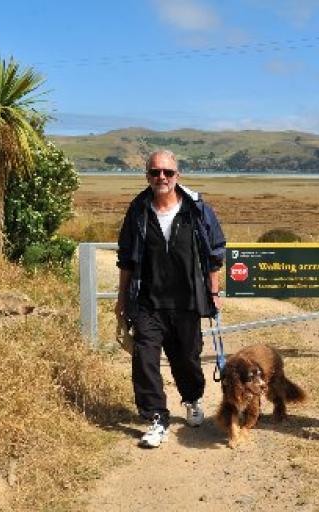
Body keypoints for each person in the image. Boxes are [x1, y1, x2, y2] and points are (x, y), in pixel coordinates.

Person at [115, 149, 226, 448]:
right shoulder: (138, 210)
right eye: (155, 172)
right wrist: (121, 299)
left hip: (187, 301)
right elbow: (126, 259)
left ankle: (192, 399)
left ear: (178, 175)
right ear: (147, 176)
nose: (161, 177)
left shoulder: (197, 209)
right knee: (145, 359)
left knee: (187, 359)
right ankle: (156, 418)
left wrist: (214, 292)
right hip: (147, 302)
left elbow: (215, 253)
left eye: (167, 172)